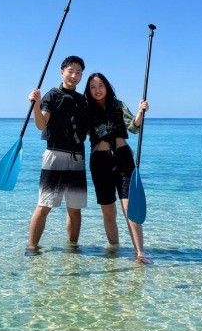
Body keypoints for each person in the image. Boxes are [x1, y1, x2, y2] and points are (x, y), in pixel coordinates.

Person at [84, 72, 152, 264]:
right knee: (108, 211)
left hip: (123, 159)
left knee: (129, 207)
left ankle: (139, 253)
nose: (97, 90)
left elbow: (133, 127)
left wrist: (140, 112)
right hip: (99, 161)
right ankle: (114, 250)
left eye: (100, 85)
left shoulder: (118, 105)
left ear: (107, 86)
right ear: (89, 91)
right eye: (93, 87)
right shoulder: (86, 108)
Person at [26, 56, 90, 254]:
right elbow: (41, 125)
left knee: (75, 208)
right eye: (70, 71)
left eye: (78, 72)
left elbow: (88, 130)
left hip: (77, 157)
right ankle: (32, 247)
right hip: (55, 154)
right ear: (62, 71)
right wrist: (36, 104)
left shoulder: (82, 101)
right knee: (45, 205)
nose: (74, 75)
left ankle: (72, 249)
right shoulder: (51, 96)